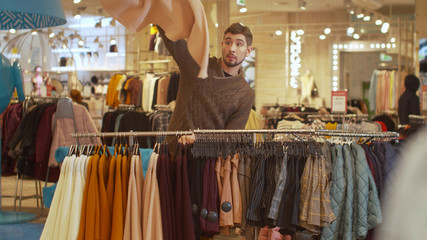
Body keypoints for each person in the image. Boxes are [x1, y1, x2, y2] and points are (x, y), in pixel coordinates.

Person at [158, 22, 255, 147]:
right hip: (173, 150)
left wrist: (198, 138)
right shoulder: (198, 65)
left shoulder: (246, 93)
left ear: (248, 51)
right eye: (228, 42)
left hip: (208, 159)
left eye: (239, 44)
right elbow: (172, 39)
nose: (232, 48)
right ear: (222, 44)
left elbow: (231, 136)